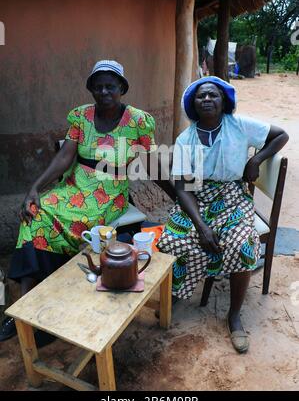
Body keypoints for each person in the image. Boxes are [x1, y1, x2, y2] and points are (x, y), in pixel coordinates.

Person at [0, 60, 175, 343]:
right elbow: (65, 157)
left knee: (71, 221)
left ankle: (57, 295)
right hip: (75, 185)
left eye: (111, 86)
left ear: (122, 88)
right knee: (36, 213)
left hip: (108, 194)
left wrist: (177, 196)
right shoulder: (81, 117)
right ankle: (23, 308)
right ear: (92, 89)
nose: (104, 91)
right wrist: (35, 188)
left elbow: (154, 165)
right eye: (99, 86)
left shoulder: (140, 122)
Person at [157, 76, 289, 353]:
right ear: (193, 104)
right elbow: (182, 188)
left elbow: (281, 136)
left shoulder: (240, 126)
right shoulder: (186, 139)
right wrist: (202, 226)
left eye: (213, 95)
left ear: (224, 101)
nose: (207, 99)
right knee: (171, 240)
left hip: (232, 196)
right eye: (200, 96)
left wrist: (256, 159)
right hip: (197, 199)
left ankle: (234, 316)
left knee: (241, 243)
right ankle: (183, 287)